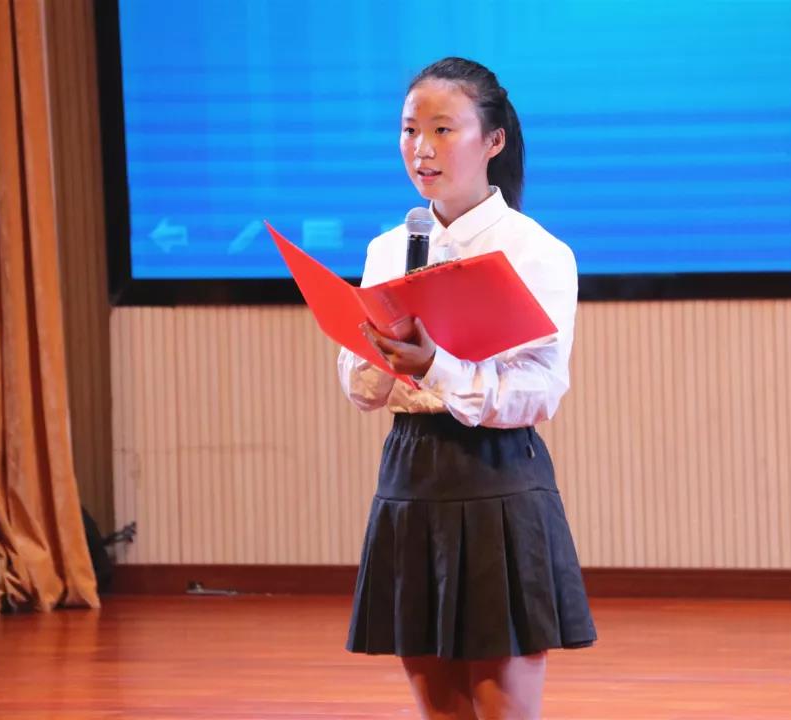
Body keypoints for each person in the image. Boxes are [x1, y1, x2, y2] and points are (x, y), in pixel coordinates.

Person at [337, 57, 596, 720]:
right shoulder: (389, 248)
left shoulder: (535, 252)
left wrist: (436, 367)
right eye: (409, 130)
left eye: (443, 129)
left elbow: (541, 391)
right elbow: (361, 388)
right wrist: (375, 360)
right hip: (409, 474)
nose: (421, 149)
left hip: (494, 475)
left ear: (493, 140)